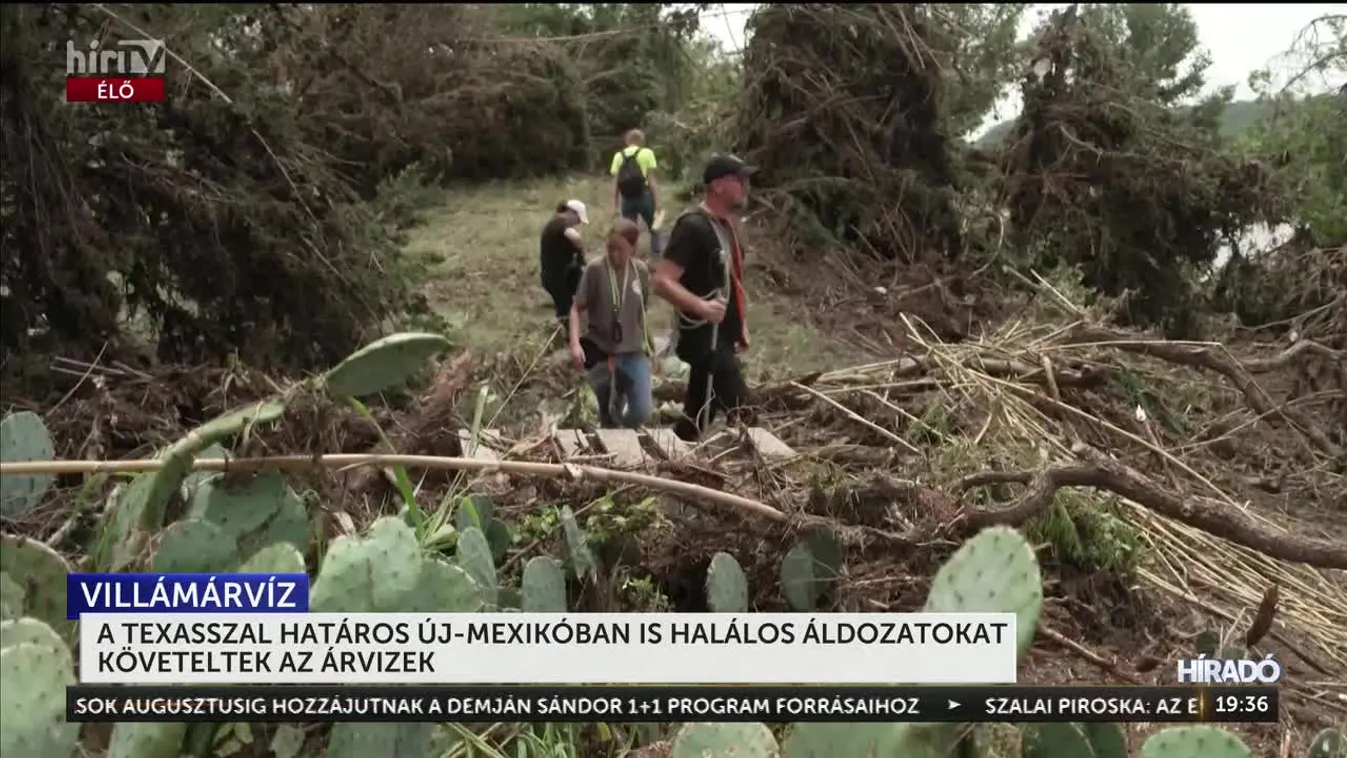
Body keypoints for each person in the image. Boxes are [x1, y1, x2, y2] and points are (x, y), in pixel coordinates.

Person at [652, 154, 755, 442]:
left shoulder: (724, 226)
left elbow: (729, 280)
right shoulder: (693, 227)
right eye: (740, 179)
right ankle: (760, 476)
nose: (746, 186)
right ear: (718, 186)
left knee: (699, 414)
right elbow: (662, 280)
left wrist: (740, 323)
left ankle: (672, 456)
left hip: (722, 334)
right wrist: (701, 306)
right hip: (704, 339)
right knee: (743, 409)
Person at [568, 218, 656, 429]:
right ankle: (612, 429)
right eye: (610, 248)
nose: (614, 254)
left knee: (643, 410)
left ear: (632, 248)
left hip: (633, 349)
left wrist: (651, 349)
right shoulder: (595, 269)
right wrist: (575, 344)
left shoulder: (641, 272)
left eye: (620, 249)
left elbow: (641, 313)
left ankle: (621, 423)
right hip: (602, 347)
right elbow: (576, 308)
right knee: (604, 409)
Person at [609, 129, 663, 256]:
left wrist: (615, 205)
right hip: (644, 195)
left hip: (627, 198)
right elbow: (651, 180)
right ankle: (656, 254)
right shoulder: (647, 153)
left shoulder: (618, 156)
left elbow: (615, 183)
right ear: (641, 140)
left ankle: (630, 255)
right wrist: (658, 203)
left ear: (627, 141)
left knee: (628, 230)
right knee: (654, 226)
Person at [540, 200, 589, 325]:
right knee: (565, 311)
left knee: (586, 293)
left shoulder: (559, 225)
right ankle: (563, 333)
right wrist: (581, 252)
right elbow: (576, 238)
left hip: (566, 274)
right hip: (556, 278)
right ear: (571, 213)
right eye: (578, 220)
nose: (577, 223)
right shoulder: (558, 224)